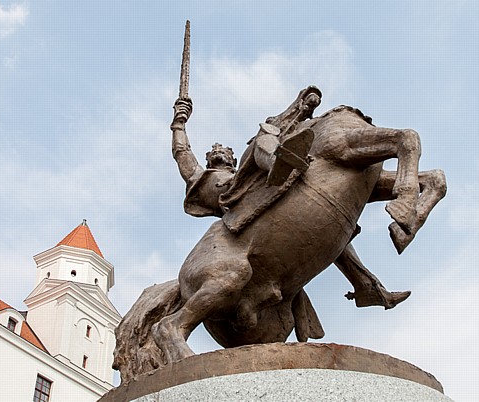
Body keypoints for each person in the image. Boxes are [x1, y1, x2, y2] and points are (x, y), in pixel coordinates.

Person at [170, 91, 410, 310]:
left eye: (224, 152)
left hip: (259, 192)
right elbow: (182, 154)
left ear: (231, 160)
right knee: (263, 135)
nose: (219, 153)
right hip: (232, 199)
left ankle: (364, 284)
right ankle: (277, 162)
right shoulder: (205, 177)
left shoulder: (240, 171)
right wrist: (179, 124)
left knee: (325, 227)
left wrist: (302, 111)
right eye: (214, 154)